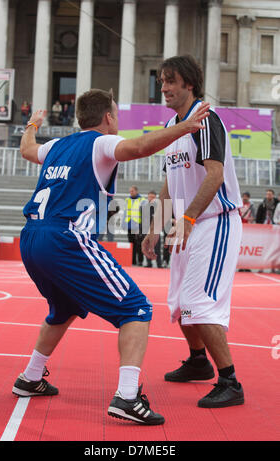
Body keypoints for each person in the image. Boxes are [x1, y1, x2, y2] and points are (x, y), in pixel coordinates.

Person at [12, 88, 210, 425]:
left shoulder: (57, 146)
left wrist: (32, 123)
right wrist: (186, 126)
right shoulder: (101, 143)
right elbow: (138, 147)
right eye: (116, 114)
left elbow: (27, 149)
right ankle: (127, 397)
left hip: (31, 237)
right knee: (137, 308)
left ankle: (30, 377)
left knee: (64, 308)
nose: (117, 120)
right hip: (65, 238)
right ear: (107, 118)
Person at [142, 55, 245, 409]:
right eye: (161, 83)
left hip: (214, 221)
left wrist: (185, 220)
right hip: (188, 223)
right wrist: (155, 226)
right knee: (177, 304)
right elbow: (170, 183)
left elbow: (214, 175)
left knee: (198, 303)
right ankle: (199, 360)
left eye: (170, 81)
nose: (164, 88)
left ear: (189, 83)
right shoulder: (176, 126)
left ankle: (230, 381)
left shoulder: (206, 120)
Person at [123, 186, 146, 266]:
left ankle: (140, 261)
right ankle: (132, 261)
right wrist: (123, 224)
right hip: (129, 226)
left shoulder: (142, 200)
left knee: (139, 244)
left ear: (136, 191)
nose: (131, 193)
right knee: (131, 244)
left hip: (138, 226)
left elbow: (144, 214)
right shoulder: (127, 200)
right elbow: (125, 213)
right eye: (130, 191)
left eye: (132, 191)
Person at [140, 191, 162, 268]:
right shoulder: (143, 208)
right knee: (146, 247)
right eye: (150, 197)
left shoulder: (158, 208)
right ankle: (149, 263)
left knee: (157, 248)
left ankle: (159, 264)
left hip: (156, 231)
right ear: (147, 197)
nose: (151, 199)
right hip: (146, 230)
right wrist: (140, 231)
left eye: (153, 197)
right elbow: (141, 220)